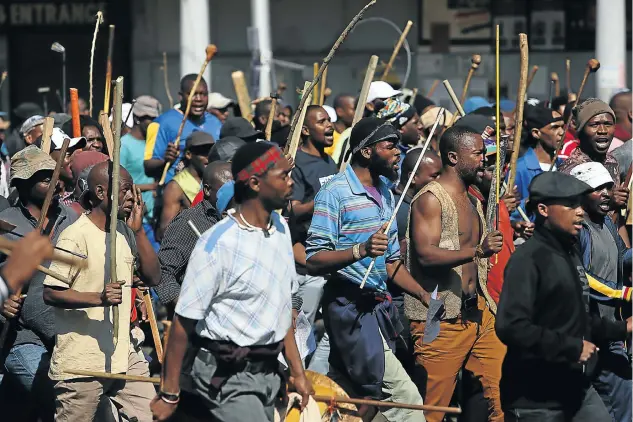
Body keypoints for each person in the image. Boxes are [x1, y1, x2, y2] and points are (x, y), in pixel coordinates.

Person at [150, 142, 313, 422]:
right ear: (254, 183)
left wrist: (296, 373)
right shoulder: (216, 244)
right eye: (283, 176)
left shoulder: (281, 229)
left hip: (267, 372)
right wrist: (170, 392)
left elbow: (282, 308)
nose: (291, 183)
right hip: (226, 376)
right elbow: (181, 324)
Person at [306, 117, 428, 422]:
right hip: (348, 307)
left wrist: (423, 295)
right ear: (366, 152)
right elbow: (314, 258)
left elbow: (390, 264)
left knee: (359, 398)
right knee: (406, 400)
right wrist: (359, 250)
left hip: (376, 308)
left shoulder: (387, 192)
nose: (399, 152)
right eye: (390, 146)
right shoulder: (334, 193)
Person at [495, 171, 633, 422]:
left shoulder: (568, 253)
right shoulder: (528, 260)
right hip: (536, 396)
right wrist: (570, 347)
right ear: (543, 209)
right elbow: (510, 326)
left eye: (580, 204)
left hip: (575, 388)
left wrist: (622, 329)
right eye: (570, 204)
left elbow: (575, 318)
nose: (580, 211)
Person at [42, 161, 160, 421]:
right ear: (99, 193)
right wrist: (99, 298)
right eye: (125, 190)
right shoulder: (75, 236)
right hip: (83, 360)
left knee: (152, 414)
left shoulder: (122, 235)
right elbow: (51, 292)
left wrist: (138, 233)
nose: (132, 197)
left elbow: (153, 277)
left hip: (122, 354)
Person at [405, 125, 505, 422]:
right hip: (440, 319)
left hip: (480, 314)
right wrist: (477, 251)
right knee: (433, 410)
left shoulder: (474, 200)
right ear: (452, 156)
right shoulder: (430, 199)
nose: (483, 160)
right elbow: (425, 254)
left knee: (500, 396)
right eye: (476, 154)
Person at [0, 146, 78, 421]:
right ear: (22, 186)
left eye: (55, 175)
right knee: (61, 397)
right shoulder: (5, 226)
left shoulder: (73, 219)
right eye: (45, 178)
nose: (55, 183)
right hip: (22, 338)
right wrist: (2, 301)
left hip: (69, 335)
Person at [570, 162, 632, 422]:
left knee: (625, 402)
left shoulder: (606, 222)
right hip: (586, 335)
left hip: (611, 334)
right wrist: (625, 295)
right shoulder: (577, 230)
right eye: (598, 188)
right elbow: (585, 280)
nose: (607, 193)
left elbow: (621, 257)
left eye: (608, 186)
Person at [154, 160, 231, 309]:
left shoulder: (243, 219)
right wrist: (188, 308)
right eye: (225, 190)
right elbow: (163, 272)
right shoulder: (190, 222)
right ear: (207, 190)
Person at [289, 105, 337, 325]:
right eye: (322, 121)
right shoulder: (297, 163)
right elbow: (293, 209)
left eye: (329, 120)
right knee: (302, 324)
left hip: (331, 252)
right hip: (306, 261)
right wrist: (321, 200)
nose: (329, 125)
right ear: (306, 130)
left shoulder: (331, 163)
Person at [559, 98, 630, 243]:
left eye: (608, 124)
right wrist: (610, 202)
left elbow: (618, 218)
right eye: (594, 125)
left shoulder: (612, 162)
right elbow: (567, 218)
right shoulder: (573, 169)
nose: (602, 131)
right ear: (581, 130)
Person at [144, 74, 222, 182]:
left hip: (208, 194)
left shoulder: (216, 123)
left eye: (203, 94)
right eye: (192, 94)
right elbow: (148, 168)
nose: (198, 99)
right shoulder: (161, 123)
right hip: (174, 194)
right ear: (181, 96)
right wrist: (166, 160)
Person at [120, 95, 161, 251]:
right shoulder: (125, 145)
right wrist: (150, 187)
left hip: (157, 215)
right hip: (138, 217)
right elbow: (119, 183)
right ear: (137, 118)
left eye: (154, 118)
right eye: (148, 118)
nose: (152, 123)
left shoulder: (156, 143)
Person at [157, 131, 214, 241]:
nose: (208, 157)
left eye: (211, 151)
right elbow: (165, 231)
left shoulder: (214, 179)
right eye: (202, 152)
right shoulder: (175, 186)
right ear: (188, 154)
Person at [513, 104, 565, 220]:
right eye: (555, 127)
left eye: (562, 127)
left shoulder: (564, 166)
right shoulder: (520, 168)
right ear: (536, 133)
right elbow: (510, 210)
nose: (562, 132)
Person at [377, 98, 423, 172]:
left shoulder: (405, 154)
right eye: (415, 123)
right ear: (400, 128)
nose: (421, 126)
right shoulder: (389, 159)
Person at [324, 94, 355, 160]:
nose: (357, 112)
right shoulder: (327, 132)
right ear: (340, 112)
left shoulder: (354, 133)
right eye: (354, 109)